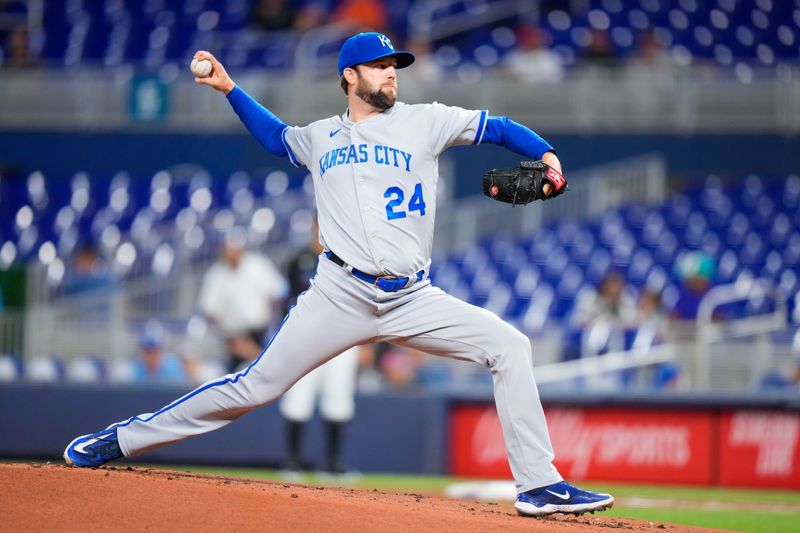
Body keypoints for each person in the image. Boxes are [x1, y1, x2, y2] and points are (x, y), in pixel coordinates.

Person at [63, 31, 613, 517]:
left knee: (510, 346)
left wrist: (546, 154)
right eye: (379, 66)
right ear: (350, 76)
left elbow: (497, 127)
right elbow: (276, 136)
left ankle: (540, 485)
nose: (391, 72)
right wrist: (231, 90)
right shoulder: (320, 136)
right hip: (339, 293)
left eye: (394, 65)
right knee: (254, 386)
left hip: (413, 297)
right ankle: (122, 440)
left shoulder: (427, 120)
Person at [279, 219, 361, 476]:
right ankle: (293, 462)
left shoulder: (351, 256)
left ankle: (333, 464)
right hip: (306, 337)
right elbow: (286, 302)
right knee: (298, 398)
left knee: (338, 398)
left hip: (342, 337)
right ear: (314, 225)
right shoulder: (298, 260)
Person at [198, 229, 288, 372]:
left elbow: (278, 292)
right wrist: (231, 336)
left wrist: (273, 322)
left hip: (262, 332)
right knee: (238, 376)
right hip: (233, 338)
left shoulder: (258, 265)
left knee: (265, 371)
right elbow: (209, 309)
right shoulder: (216, 274)